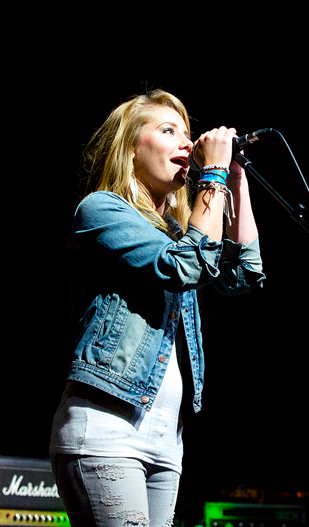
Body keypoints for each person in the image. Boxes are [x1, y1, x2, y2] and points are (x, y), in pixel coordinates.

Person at [50, 89, 265, 527]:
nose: (187, 144)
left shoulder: (175, 232)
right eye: (168, 131)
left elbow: (241, 274)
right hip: (107, 429)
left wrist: (236, 179)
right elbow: (183, 268)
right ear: (131, 147)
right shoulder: (100, 210)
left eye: (188, 134)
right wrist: (214, 175)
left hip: (167, 439)